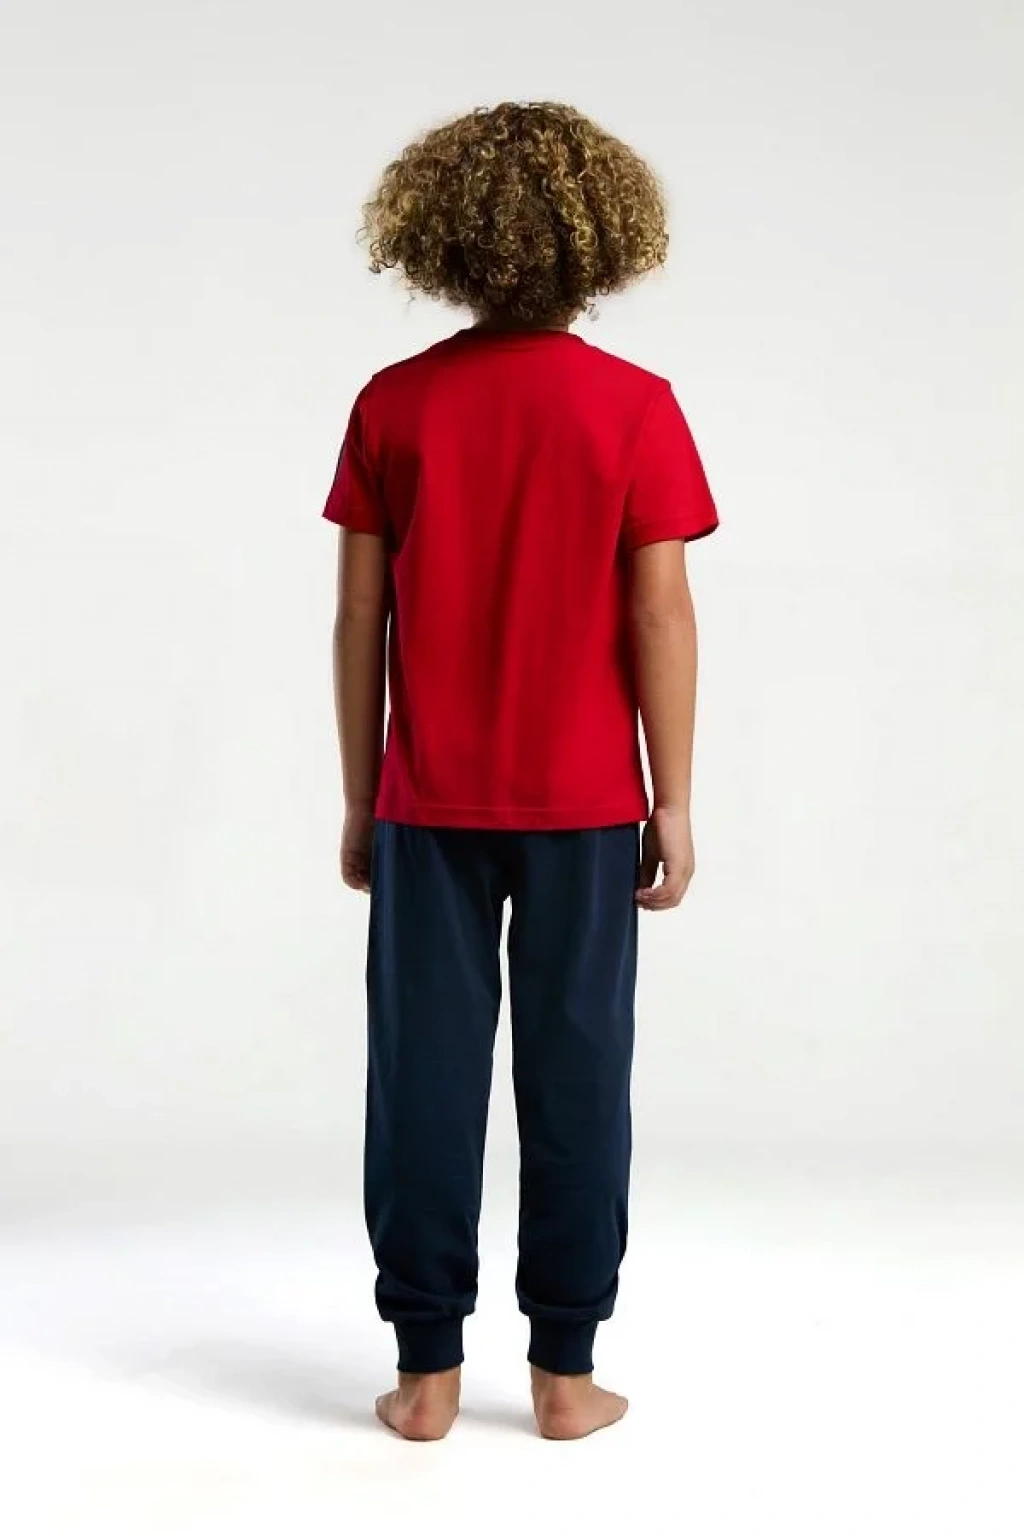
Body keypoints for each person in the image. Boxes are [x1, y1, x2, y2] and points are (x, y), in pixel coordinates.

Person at [322, 101, 718, 1441]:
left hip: (428, 803)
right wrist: (673, 797)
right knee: (579, 1079)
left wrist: (361, 794)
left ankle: (427, 1374)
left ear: (438, 233)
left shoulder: (394, 403)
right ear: (605, 236)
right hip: (588, 809)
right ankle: (564, 1374)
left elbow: (359, 619)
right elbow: (661, 612)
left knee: (421, 1080)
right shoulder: (634, 407)